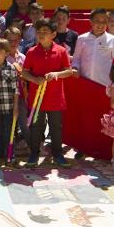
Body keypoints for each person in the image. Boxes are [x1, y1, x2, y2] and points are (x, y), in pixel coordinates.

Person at [22, 18, 74, 168]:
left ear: (53, 34)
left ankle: (57, 154)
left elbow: (69, 72)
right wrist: (34, 79)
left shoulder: (61, 51)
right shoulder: (31, 51)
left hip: (55, 98)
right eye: (39, 32)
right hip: (36, 97)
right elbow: (25, 73)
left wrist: (56, 74)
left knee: (56, 127)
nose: (41, 35)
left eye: (45, 32)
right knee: (36, 126)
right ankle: (34, 153)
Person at [71, 8, 114, 86]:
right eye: (97, 21)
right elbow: (76, 58)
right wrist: (75, 68)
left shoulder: (113, 40)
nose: (101, 25)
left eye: (104, 22)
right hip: (84, 82)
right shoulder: (82, 38)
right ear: (91, 22)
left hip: (105, 85)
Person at [4, 27, 30, 153]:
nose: (13, 43)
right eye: (10, 40)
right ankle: (9, 148)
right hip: (7, 96)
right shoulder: (2, 58)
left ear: (20, 40)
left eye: (16, 40)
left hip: (21, 95)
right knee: (8, 123)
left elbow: (27, 75)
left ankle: (31, 146)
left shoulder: (23, 57)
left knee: (24, 122)